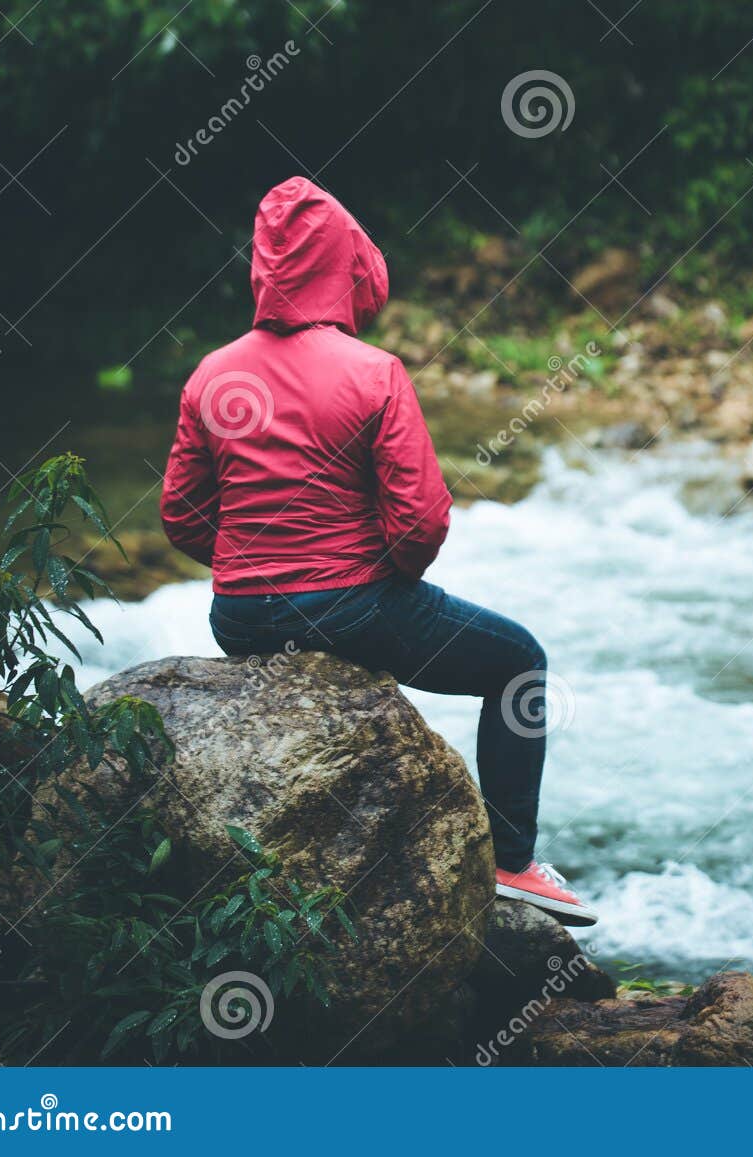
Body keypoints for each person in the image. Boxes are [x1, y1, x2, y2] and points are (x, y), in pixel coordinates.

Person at [160, 176, 595, 926]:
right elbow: (420, 523)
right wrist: (373, 581)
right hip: (353, 608)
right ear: (345, 265)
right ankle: (512, 862)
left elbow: (183, 517)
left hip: (237, 616)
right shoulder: (372, 372)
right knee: (519, 661)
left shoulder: (211, 373)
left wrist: (249, 567)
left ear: (262, 268)